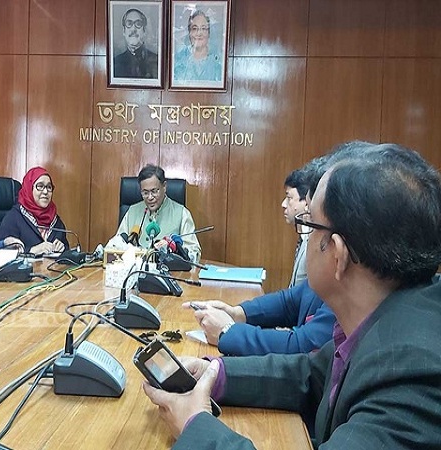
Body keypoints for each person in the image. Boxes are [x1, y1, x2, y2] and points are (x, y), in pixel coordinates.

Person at [143, 142, 441, 448]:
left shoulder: (411, 375)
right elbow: (309, 376)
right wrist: (215, 373)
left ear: (337, 254)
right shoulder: (387, 322)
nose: (304, 237)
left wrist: (195, 426)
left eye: (309, 223)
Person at [183, 279, 335, 356]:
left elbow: (303, 347)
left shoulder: (344, 299)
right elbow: (289, 302)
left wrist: (227, 331)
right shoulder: (328, 279)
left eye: (312, 231)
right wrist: (237, 313)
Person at [114, 164, 201, 262]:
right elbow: (116, 245)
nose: (150, 197)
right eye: (145, 193)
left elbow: (194, 252)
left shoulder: (182, 214)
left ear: (164, 186)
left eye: (154, 191)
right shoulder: (132, 211)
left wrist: (174, 249)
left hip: (168, 270)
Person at [0, 166, 69, 255]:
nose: (45, 191)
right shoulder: (13, 218)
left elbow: (67, 251)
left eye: (49, 187)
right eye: (40, 186)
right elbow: (0, 252)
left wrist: (63, 248)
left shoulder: (56, 221)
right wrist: (31, 250)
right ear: (29, 188)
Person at [173, 10, 222, 82]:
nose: (199, 33)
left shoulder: (219, 61)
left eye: (203, 28)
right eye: (194, 29)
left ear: (209, 33)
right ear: (189, 33)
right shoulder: (178, 60)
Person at [282, 168, 310, 287]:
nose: (283, 204)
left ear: (307, 202)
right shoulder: (303, 235)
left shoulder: (312, 242)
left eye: (289, 198)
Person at [113, 8, 158, 79]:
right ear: (124, 31)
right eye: (129, 24)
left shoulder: (156, 61)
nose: (133, 29)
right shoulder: (115, 63)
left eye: (138, 24)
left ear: (144, 31)